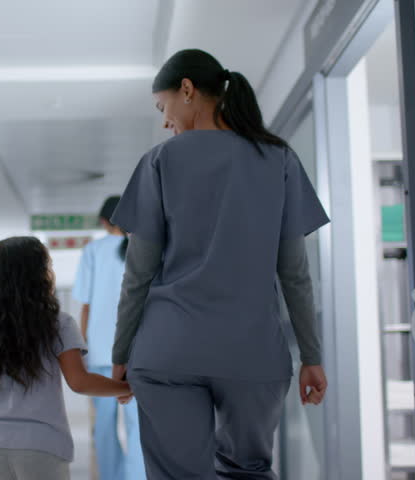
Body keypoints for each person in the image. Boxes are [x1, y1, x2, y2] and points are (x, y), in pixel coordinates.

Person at [109, 49, 330, 479]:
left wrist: (120, 353)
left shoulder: (160, 161)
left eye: (163, 106)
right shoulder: (278, 159)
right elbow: (294, 275)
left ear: (187, 90)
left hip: (169, 350)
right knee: (247, 470)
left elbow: (138, 275)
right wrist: (311, 355)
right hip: (252, 354)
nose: (164, 121)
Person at [0, 237, 132, 480]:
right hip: (42, 445)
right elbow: (79, 381)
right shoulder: (58, 324)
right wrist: (128, 387)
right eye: (48, 266)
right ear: (38, 276)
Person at [73, 196, 145, 480]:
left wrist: (82, 350)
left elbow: (86, 306)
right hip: (138, 352)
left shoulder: (92, 251)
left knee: (103, 425)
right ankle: (138, 476)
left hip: (102, 352)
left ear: (104, 222)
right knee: (138, 424)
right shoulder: (144, 248)